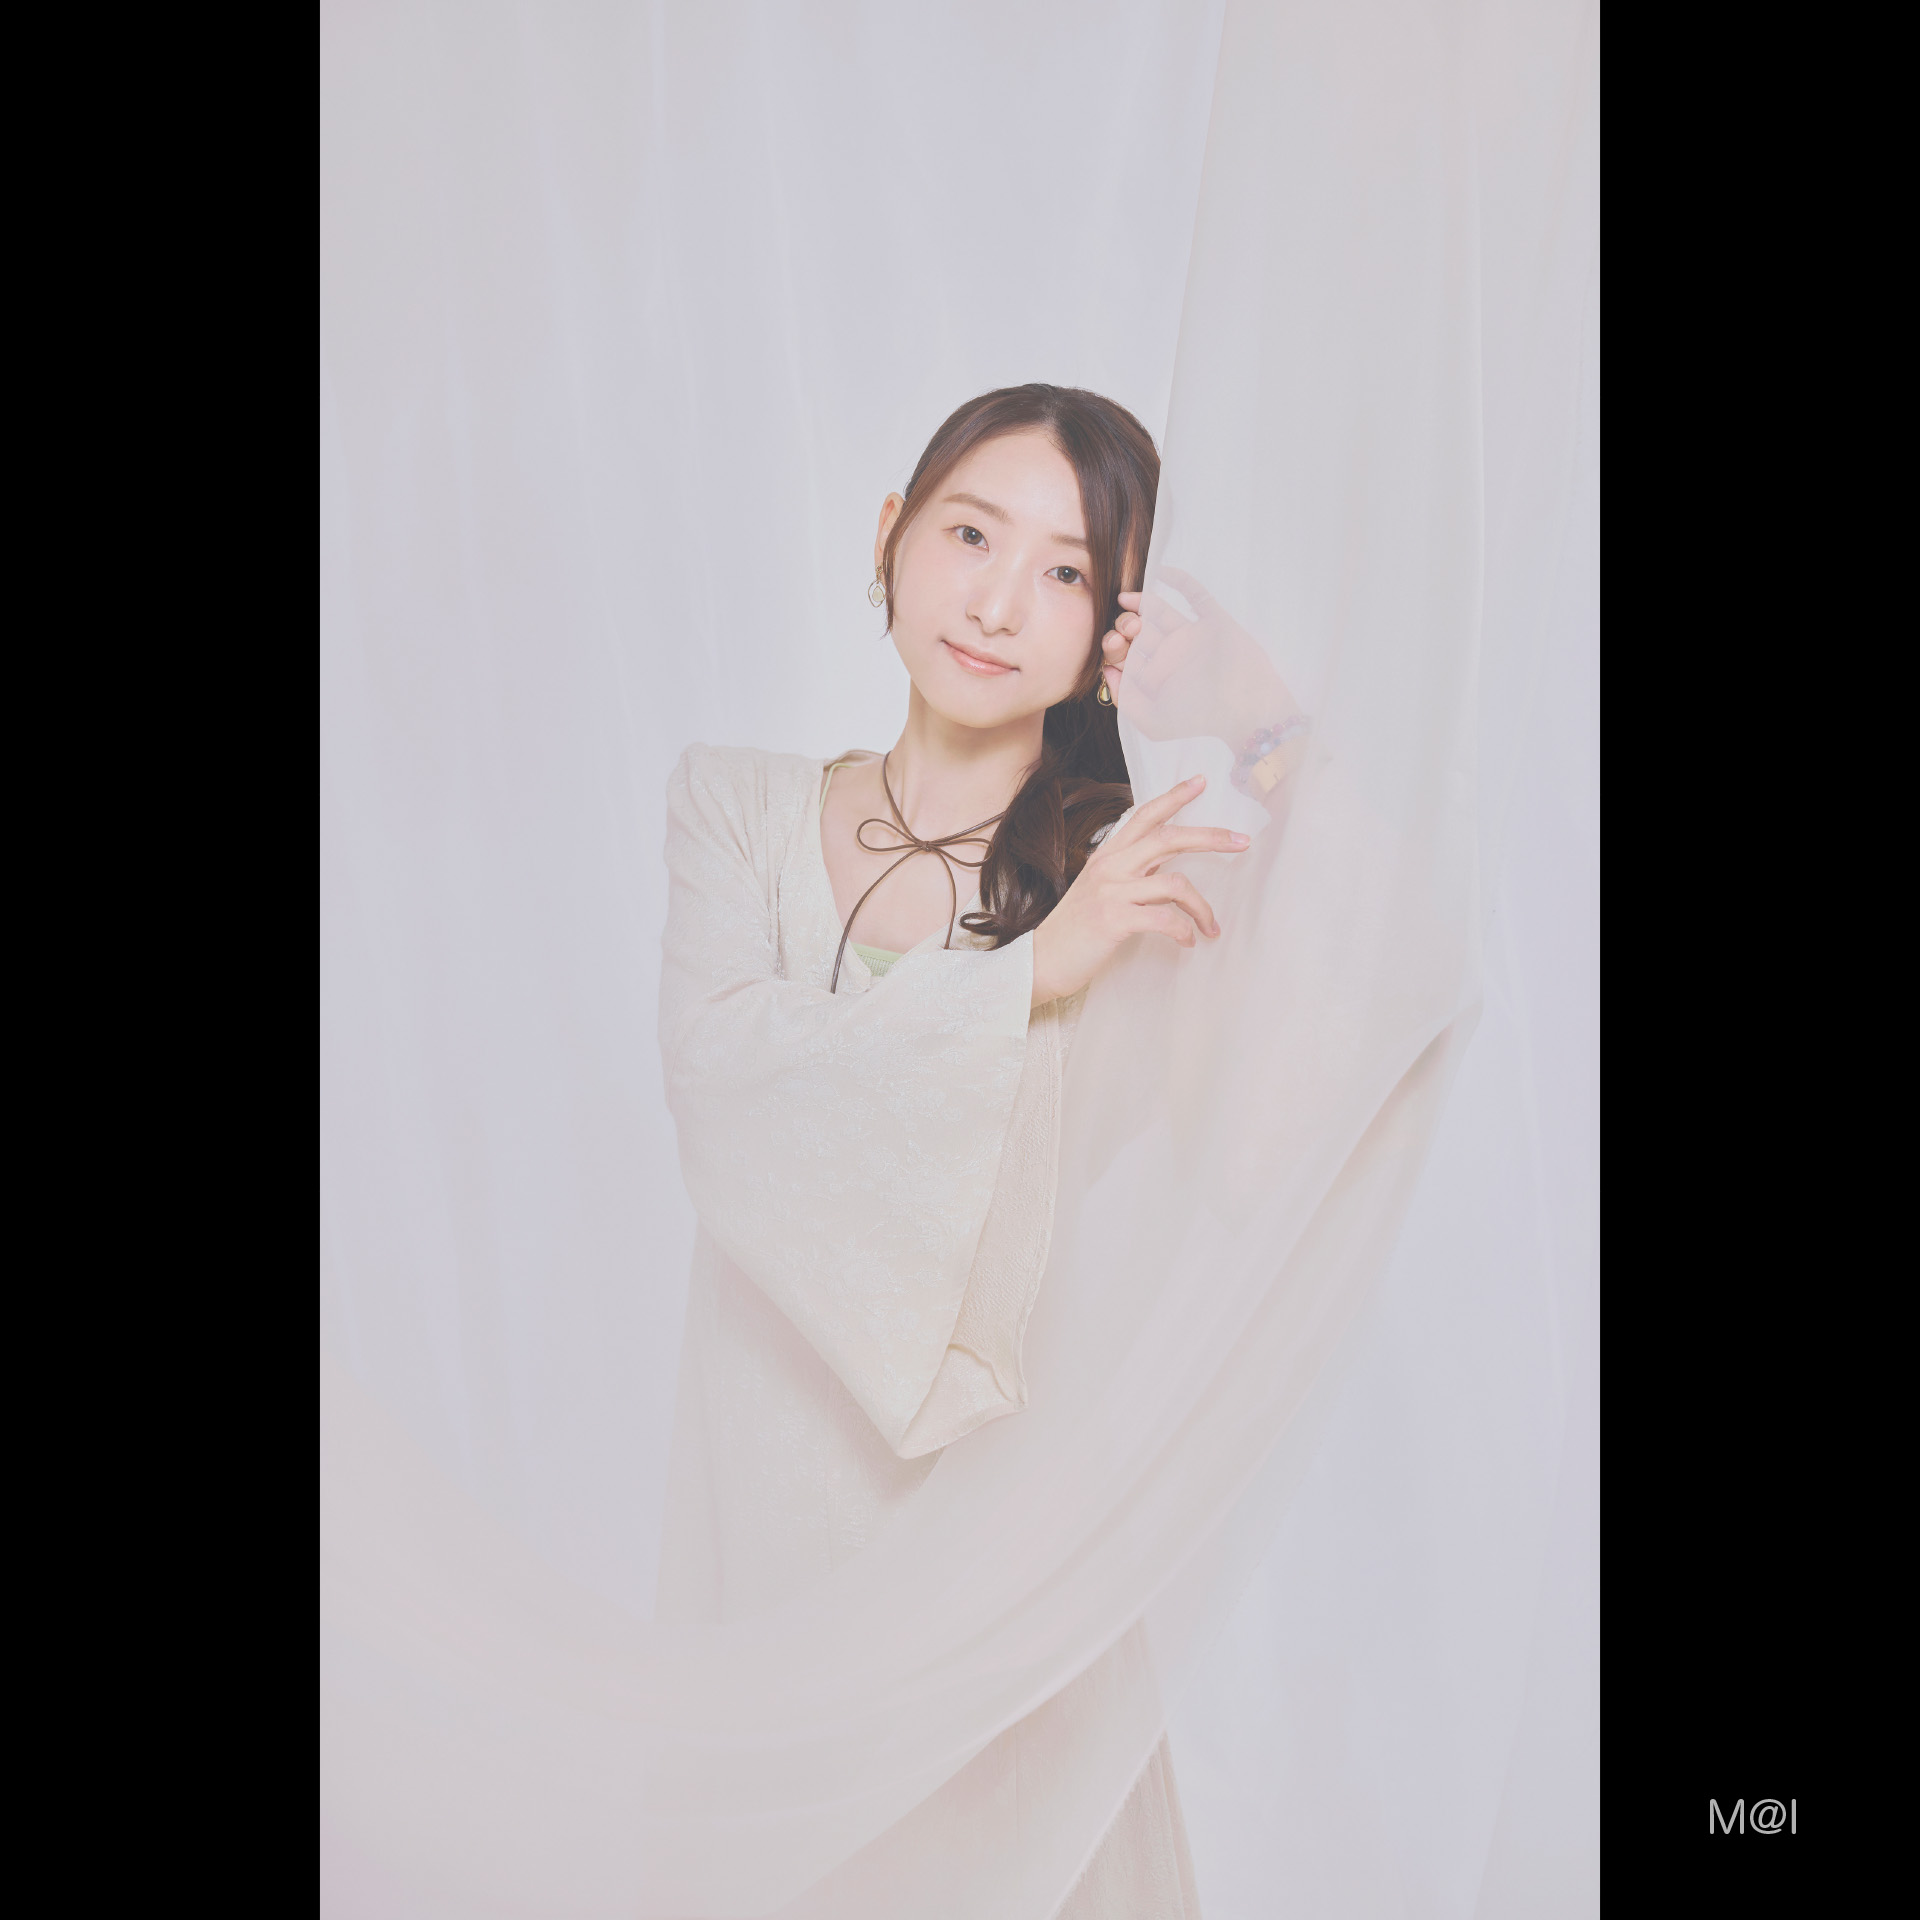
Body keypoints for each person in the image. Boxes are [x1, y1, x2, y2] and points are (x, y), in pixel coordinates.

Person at [655, 384, 1303, 1917]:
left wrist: (1265, 725)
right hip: (766, 1560)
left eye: (1068, 571)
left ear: (1113, 636)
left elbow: (1287, 1116)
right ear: (890, 536)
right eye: (969, 535)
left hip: (1008, 1592)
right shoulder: (738, 810)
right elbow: (722, 1081)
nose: (1001, 601)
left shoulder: (1124, 877)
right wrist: (1032, 976)